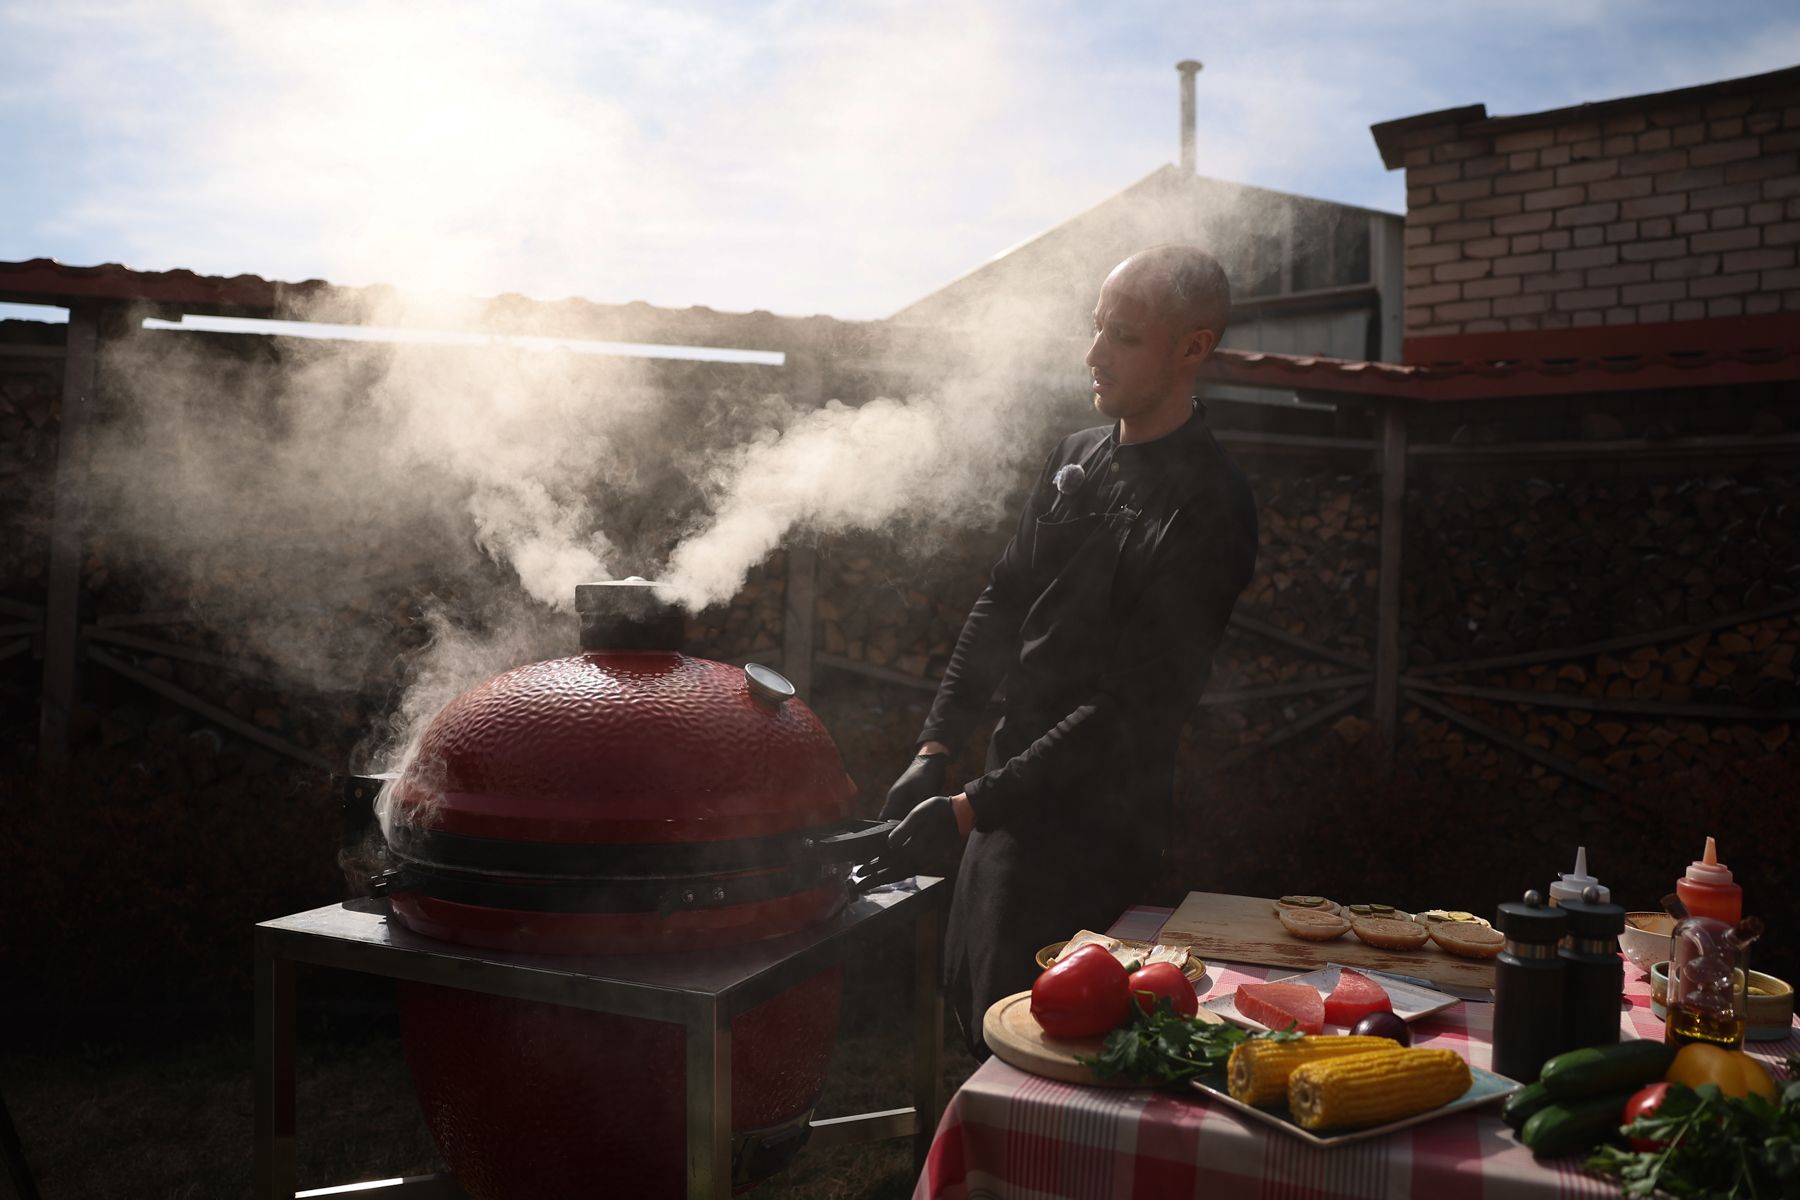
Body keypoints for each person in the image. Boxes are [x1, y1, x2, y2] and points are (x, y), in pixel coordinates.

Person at [863, 244, 1259, 1055]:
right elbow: (1003, 602)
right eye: (1094, 329)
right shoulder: (1074, 458)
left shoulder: (1210, 505)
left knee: (1047, 1053)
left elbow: (1132, 708)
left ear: (1194, 347)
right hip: (1004, 802)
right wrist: (936, 746)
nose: (1093, 354)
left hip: (1094, 836)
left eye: (1123, 336)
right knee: (973, 1017)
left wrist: (974, 805)